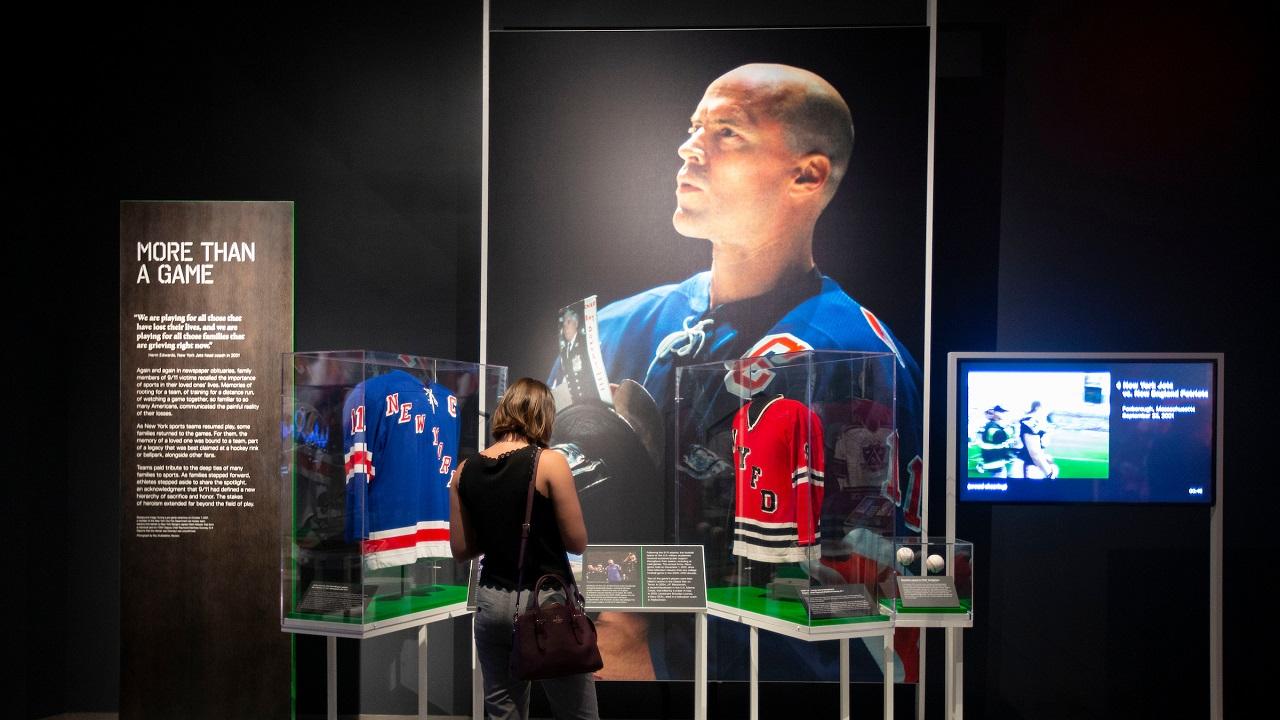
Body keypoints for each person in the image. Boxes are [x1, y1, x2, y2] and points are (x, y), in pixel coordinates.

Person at [450, 378, 599, 720]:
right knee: (577, 712)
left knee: (504, 710)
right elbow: (578, 542)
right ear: (544, 416)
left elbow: (461, 549)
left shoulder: (464, 471)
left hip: (490, 600)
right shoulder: (550, 463)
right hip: (545, 601)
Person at [1013, 401, 1059, 479]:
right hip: (1028, 467)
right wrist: (1049, 473)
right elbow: (1034, 454)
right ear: (1038, 407)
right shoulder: (1031, 421)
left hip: (1029, 465)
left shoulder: (1034, 421)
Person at [974, 405, 1016, 476]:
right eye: (1002, 412)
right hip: (995, 464)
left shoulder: (993, 425)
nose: (1004, 414)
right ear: (995, 413)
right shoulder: (992, 426)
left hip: (996, 463)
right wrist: (1012, 427)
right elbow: (999, 437)